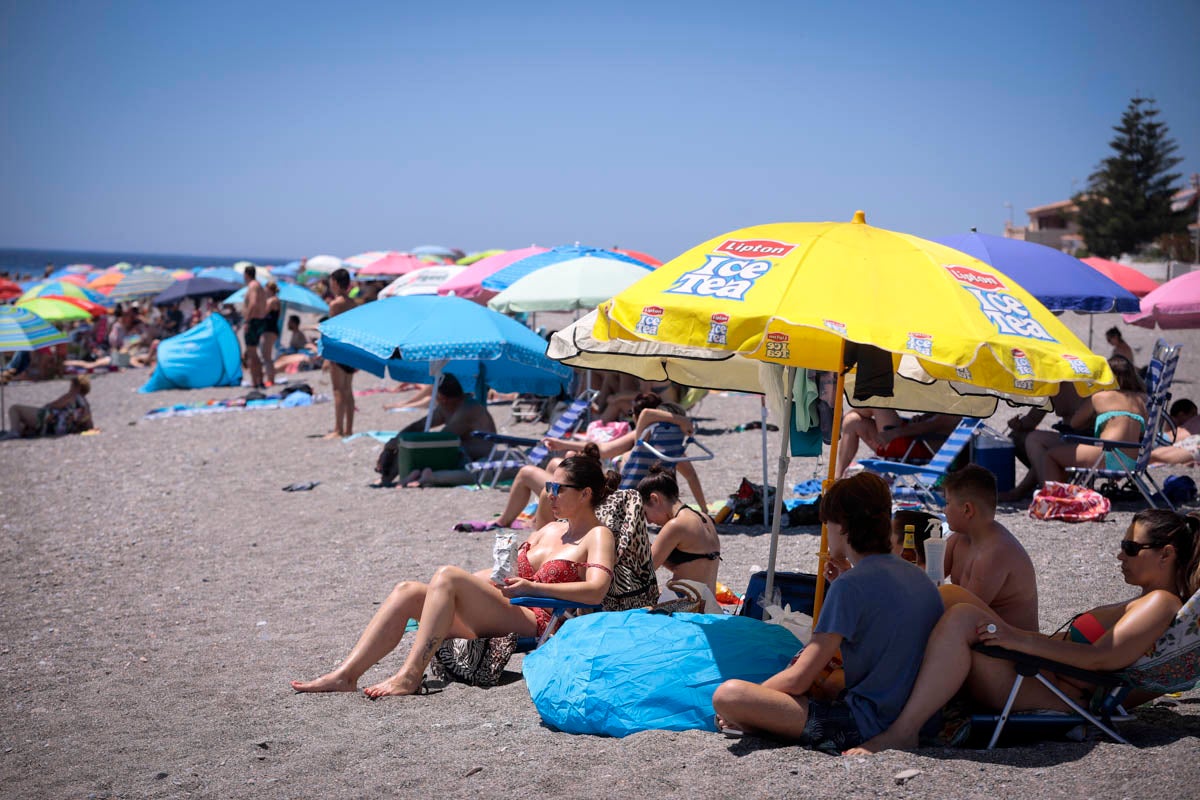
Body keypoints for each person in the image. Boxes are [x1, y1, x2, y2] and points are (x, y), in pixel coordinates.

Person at [847, 508, 1200, 754]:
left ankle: (903, 730)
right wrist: (1021, 639)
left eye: (1130, 547)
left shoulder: (1160, 603)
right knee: (950, 595)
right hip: (1043, 674)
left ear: (1166, 554)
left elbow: (1100, 659)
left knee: (960, 616)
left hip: (1053, 692)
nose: (1119, 555)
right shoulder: (1144, 602)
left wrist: (1019, 639)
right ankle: (871, 680)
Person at [290, 451, 617, 696]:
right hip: (509, 604)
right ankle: (346, 675)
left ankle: (410, 674)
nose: (550, 495)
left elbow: (597, 591)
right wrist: (487, 580)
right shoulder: (551, 528)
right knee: (408, 590)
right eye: (549, 487)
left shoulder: (597, 536)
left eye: (558, 489)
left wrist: (530, 585)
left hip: (540, 617)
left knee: (447, 575)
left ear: (586, 493)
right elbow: (511, 572)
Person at [710, 472, 943, 749]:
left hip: (865, 724)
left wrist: (747, 703)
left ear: (842, 526)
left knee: (729, 695)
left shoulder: (850, 586)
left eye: (827, 524)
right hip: (919, 719)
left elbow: (800, 678)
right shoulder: (919, 578)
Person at [492, 394, 706, 529]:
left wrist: (679, 420)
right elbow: (693, 477)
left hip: (601, 501)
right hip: (610, 498)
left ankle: (502, 522)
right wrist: (705, 512)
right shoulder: (670, 453)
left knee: (528, 472)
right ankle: (537, 517)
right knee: (557, 464)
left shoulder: (642, 439)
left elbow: (607, 447)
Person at [941, 465, 1039, 630]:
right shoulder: (961, 538)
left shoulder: (995, 552)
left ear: (967, 509)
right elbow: (928, 577)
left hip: (1013, 649)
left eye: (947, 502)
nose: (944, 510)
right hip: (983, 635)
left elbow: (964, 614)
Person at [1025, 356, 1147, 486]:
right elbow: (1142, 432)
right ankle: (1063, 495)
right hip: (1132, 459)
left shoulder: (1099, 397)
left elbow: (1075, 424)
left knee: (1051, 456)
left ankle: (1054, 499)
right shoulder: (1142, 400)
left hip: (1109, 455)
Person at [399, 374, 497, 486]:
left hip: (481, 457)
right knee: (408, 446)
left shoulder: (469, 409)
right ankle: (408, 475)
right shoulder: (446, 406)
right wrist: (396, 441)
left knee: (478, 476)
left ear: (442, 398)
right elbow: (419, 425)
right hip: (463, 454)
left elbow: (443, 440)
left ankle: (426, 476)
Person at [638, 464, 721, 594]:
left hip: (686, 606)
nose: (648, 521)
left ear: (655, 499)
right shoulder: (704, 518)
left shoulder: (676, 525)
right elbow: (689, 565)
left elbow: (644, 571)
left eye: (645, 513)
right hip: (708, 604)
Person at [1002, 382, 1086, 500]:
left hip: (1083, 439)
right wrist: (1019, 424)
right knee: (1016, 437)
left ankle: (1038, 492)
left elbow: (1081, 423)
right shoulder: (1053, 384)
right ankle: (1043, 481)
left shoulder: (1085, 385)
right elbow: (1033, 419)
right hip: (1067, 436)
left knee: (1035, 440)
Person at [835, 409, 961, 478]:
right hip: (904, 444)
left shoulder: (957, 411)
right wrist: (920, 418)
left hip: (913, 449)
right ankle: (836, 478)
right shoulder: (951, 407)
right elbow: (927, 423)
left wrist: (894, 433)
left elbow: (929, 426)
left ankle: (842, 415)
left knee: (878, 403)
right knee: (851, 421)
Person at [324, 268, 357, 439]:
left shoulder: (335, 305)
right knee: (348, 390)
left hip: (338, 350)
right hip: (351, 349)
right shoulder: (353, 303)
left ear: (335, 283)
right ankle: (349, 429)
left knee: (338, 390)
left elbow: (332, 331)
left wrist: (326, 355)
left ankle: (338, 429)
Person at [5, 375, 92, 438]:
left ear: (76, 386)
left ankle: (14, 432)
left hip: (49, 421)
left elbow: (54, 405)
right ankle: (18, 430)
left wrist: (47, 406)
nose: (70, 387)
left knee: (15, 408)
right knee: (23, 423)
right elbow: (89, 425)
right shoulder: (85, 404)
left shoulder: (72, 395)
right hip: (62, 429)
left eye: (72, 385)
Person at [241, 265, 267, 389]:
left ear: (246, 274)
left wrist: (247, 320)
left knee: (252, 353)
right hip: (259, 320)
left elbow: (253, 303)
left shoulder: (253, 286)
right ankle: (259, 380)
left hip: (254, 321)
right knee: (254, 352)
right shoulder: (259, 286)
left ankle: (256, 381)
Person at [1151, 399, 1200, 465]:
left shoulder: (1164, 419)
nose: (1194, 419)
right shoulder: (1167, 424)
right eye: (1193, 414)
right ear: (1181, 414)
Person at [260, 281, 281, 386]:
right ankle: (270, 378)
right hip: (272, 329)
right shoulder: (276, 300)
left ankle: (270, 379)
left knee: (266, 356)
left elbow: (263, 313)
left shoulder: (272, 300)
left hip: (270, 330)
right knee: (267, 355)